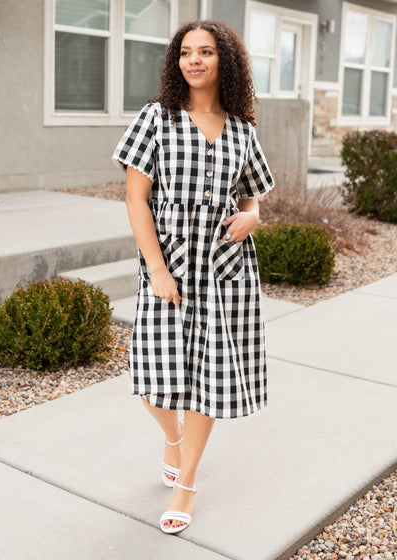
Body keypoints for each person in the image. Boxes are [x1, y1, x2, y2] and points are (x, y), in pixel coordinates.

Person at [112, 19, 275, 534]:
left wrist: (254, 215)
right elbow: (136, 198)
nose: (195, 60)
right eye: (186, 52)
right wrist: (156, 268)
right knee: (151, 376)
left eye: (206, 51)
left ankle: (186, 483)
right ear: (176, 61)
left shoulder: (243, 128)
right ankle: (174, 438)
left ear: (225, 60)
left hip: (225, 267)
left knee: (208, 379)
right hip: (170, 264)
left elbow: (252, 195)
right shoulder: (156, 118)